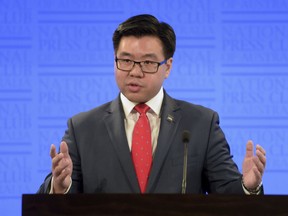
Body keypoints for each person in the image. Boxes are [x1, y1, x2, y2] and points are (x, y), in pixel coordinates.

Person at [38, 14, 266, 194]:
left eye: (147, 62)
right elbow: (54, 200)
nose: (135, 72)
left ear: (167, 67)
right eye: (125, 60)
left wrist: (248, 186)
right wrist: (60, 187)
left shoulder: (201, 124)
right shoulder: (82, 128)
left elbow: (228, 195)